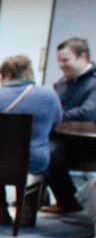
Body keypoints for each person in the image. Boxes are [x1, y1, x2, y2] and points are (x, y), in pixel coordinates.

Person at [0, 54, 62, 224]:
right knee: (41, 156)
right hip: (33, 160)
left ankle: (1, 209)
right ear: (30, 72)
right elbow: (57, 121)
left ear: (5, 75)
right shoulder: (49, 95)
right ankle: (27, 212)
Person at [43, 37, 96, 214]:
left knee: (49, 155)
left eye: (65, 60)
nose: (61, 65)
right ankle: (66, 201)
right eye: (59, 61)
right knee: (41, 151)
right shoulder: (63, 83)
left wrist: (57, 116)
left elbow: (88, 113)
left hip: (87, 143)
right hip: (64, 139)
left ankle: (69, 201)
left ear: (82, 57)